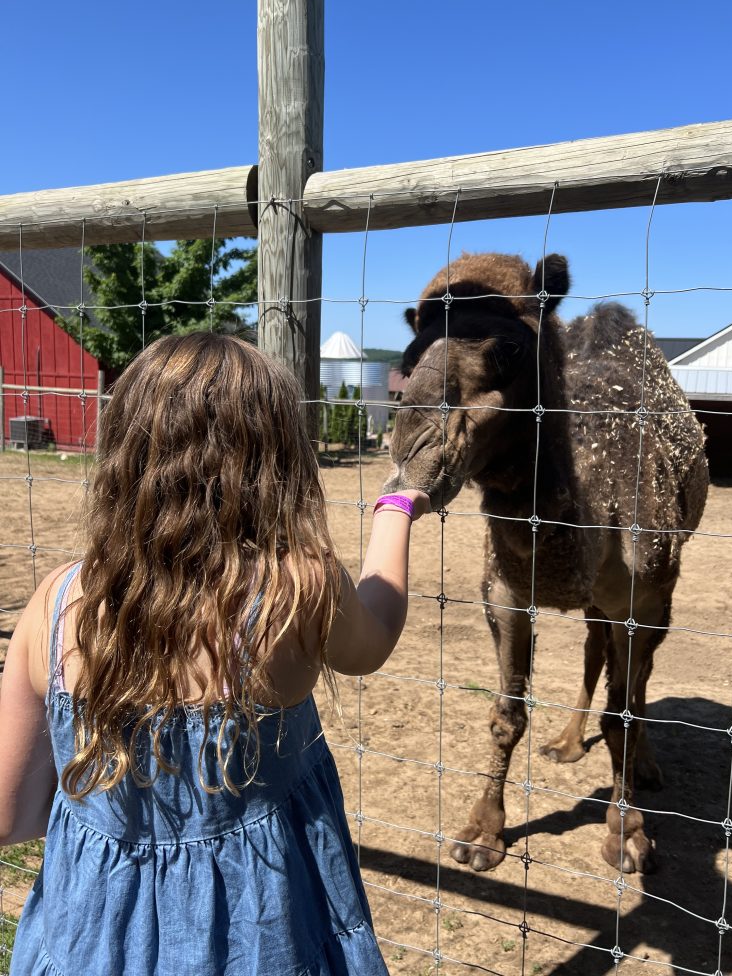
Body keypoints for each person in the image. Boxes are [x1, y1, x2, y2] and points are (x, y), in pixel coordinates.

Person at [0, 332, 429, 976]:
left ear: (123, 452)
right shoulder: (295, 590)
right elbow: (375, 636)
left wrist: (110, 816)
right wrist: (396, 507)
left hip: (88, 940)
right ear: (278, 461)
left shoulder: (55, 604)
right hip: (261, 942)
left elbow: (10, 816)